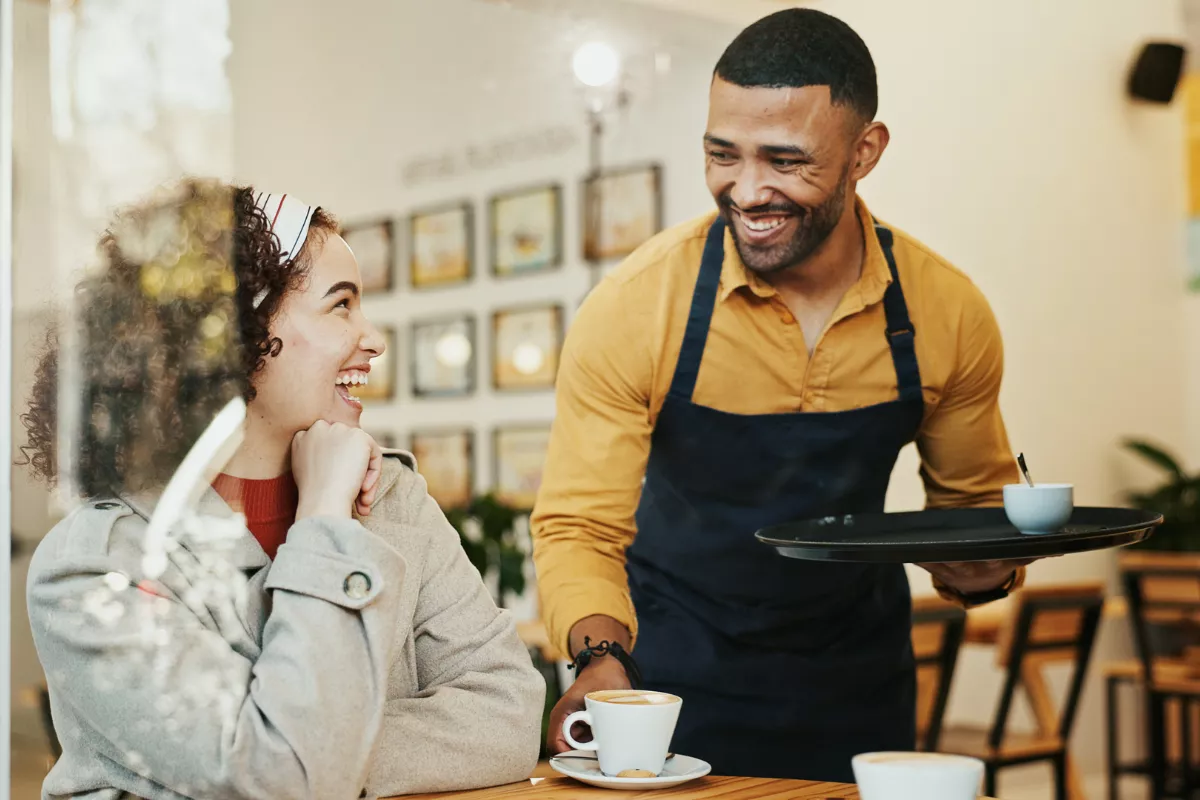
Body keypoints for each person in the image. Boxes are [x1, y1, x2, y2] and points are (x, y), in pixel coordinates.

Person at [532, 8, 1034, 782]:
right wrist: (598, 659)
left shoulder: (947, 312)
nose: (747, 189)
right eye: (722, 154)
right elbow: (579, 524)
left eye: (786, 160)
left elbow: (977, 514)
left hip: (858, 687)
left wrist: (985, 568)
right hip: (669, 683)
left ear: (864, 151)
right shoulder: (636, 307)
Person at [21, 178, 545, 799]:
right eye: (341, 305)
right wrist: (324, 516)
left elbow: (509, 713)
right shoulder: (92, 565)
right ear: (234, 338)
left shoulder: (395, 499)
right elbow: (282, 781)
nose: (373, 339)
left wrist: (310, 749)